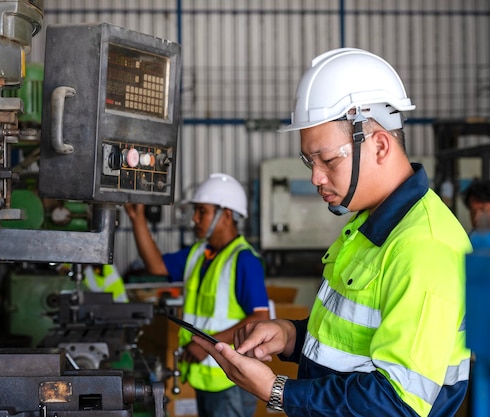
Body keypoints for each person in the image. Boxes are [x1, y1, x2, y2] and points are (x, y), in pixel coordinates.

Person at [191, 48, 472, 417]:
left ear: (381, 145)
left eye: (328, 160)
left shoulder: (425, 246)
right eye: (310, 161)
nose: (315, 177)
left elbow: (398, 404)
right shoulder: (367, 227)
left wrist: (278, 391)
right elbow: (350, 343)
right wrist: (290, 336)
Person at [125, 173, 270, 417]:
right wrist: (137, 218)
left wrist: (209, 345)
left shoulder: (245, 261)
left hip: (230, 380)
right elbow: (157, 266)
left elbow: (260, 320)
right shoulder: (198, 254)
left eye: (202, 211)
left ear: (225, 215)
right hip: (205, 375)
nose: (195, 219)